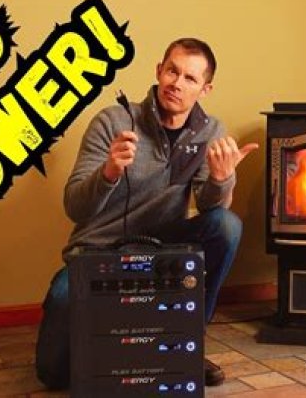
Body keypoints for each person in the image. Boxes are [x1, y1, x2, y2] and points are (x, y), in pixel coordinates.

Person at [35, 37, 258, 389]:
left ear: (205, 89)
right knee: (53, 374)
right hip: (99, 250)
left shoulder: (209, 131)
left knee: (227, 225)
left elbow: (212, 211)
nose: (176, 83)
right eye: (172, 71)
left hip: (162, 246)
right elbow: (74, 206)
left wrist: (221, 179)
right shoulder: (112, 121)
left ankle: (187, 345)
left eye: (190, 78)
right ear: (158, 71)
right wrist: (108, 172)